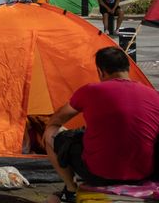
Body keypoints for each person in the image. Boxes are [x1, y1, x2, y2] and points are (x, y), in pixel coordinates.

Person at [43, 47, 159, 203]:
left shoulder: (90, 91)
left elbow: (56, 120)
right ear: (129, 68)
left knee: (50, 132)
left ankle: (71, 190)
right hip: (144, 173)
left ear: (100, 71)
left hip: (98, 174)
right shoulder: (153, 94)